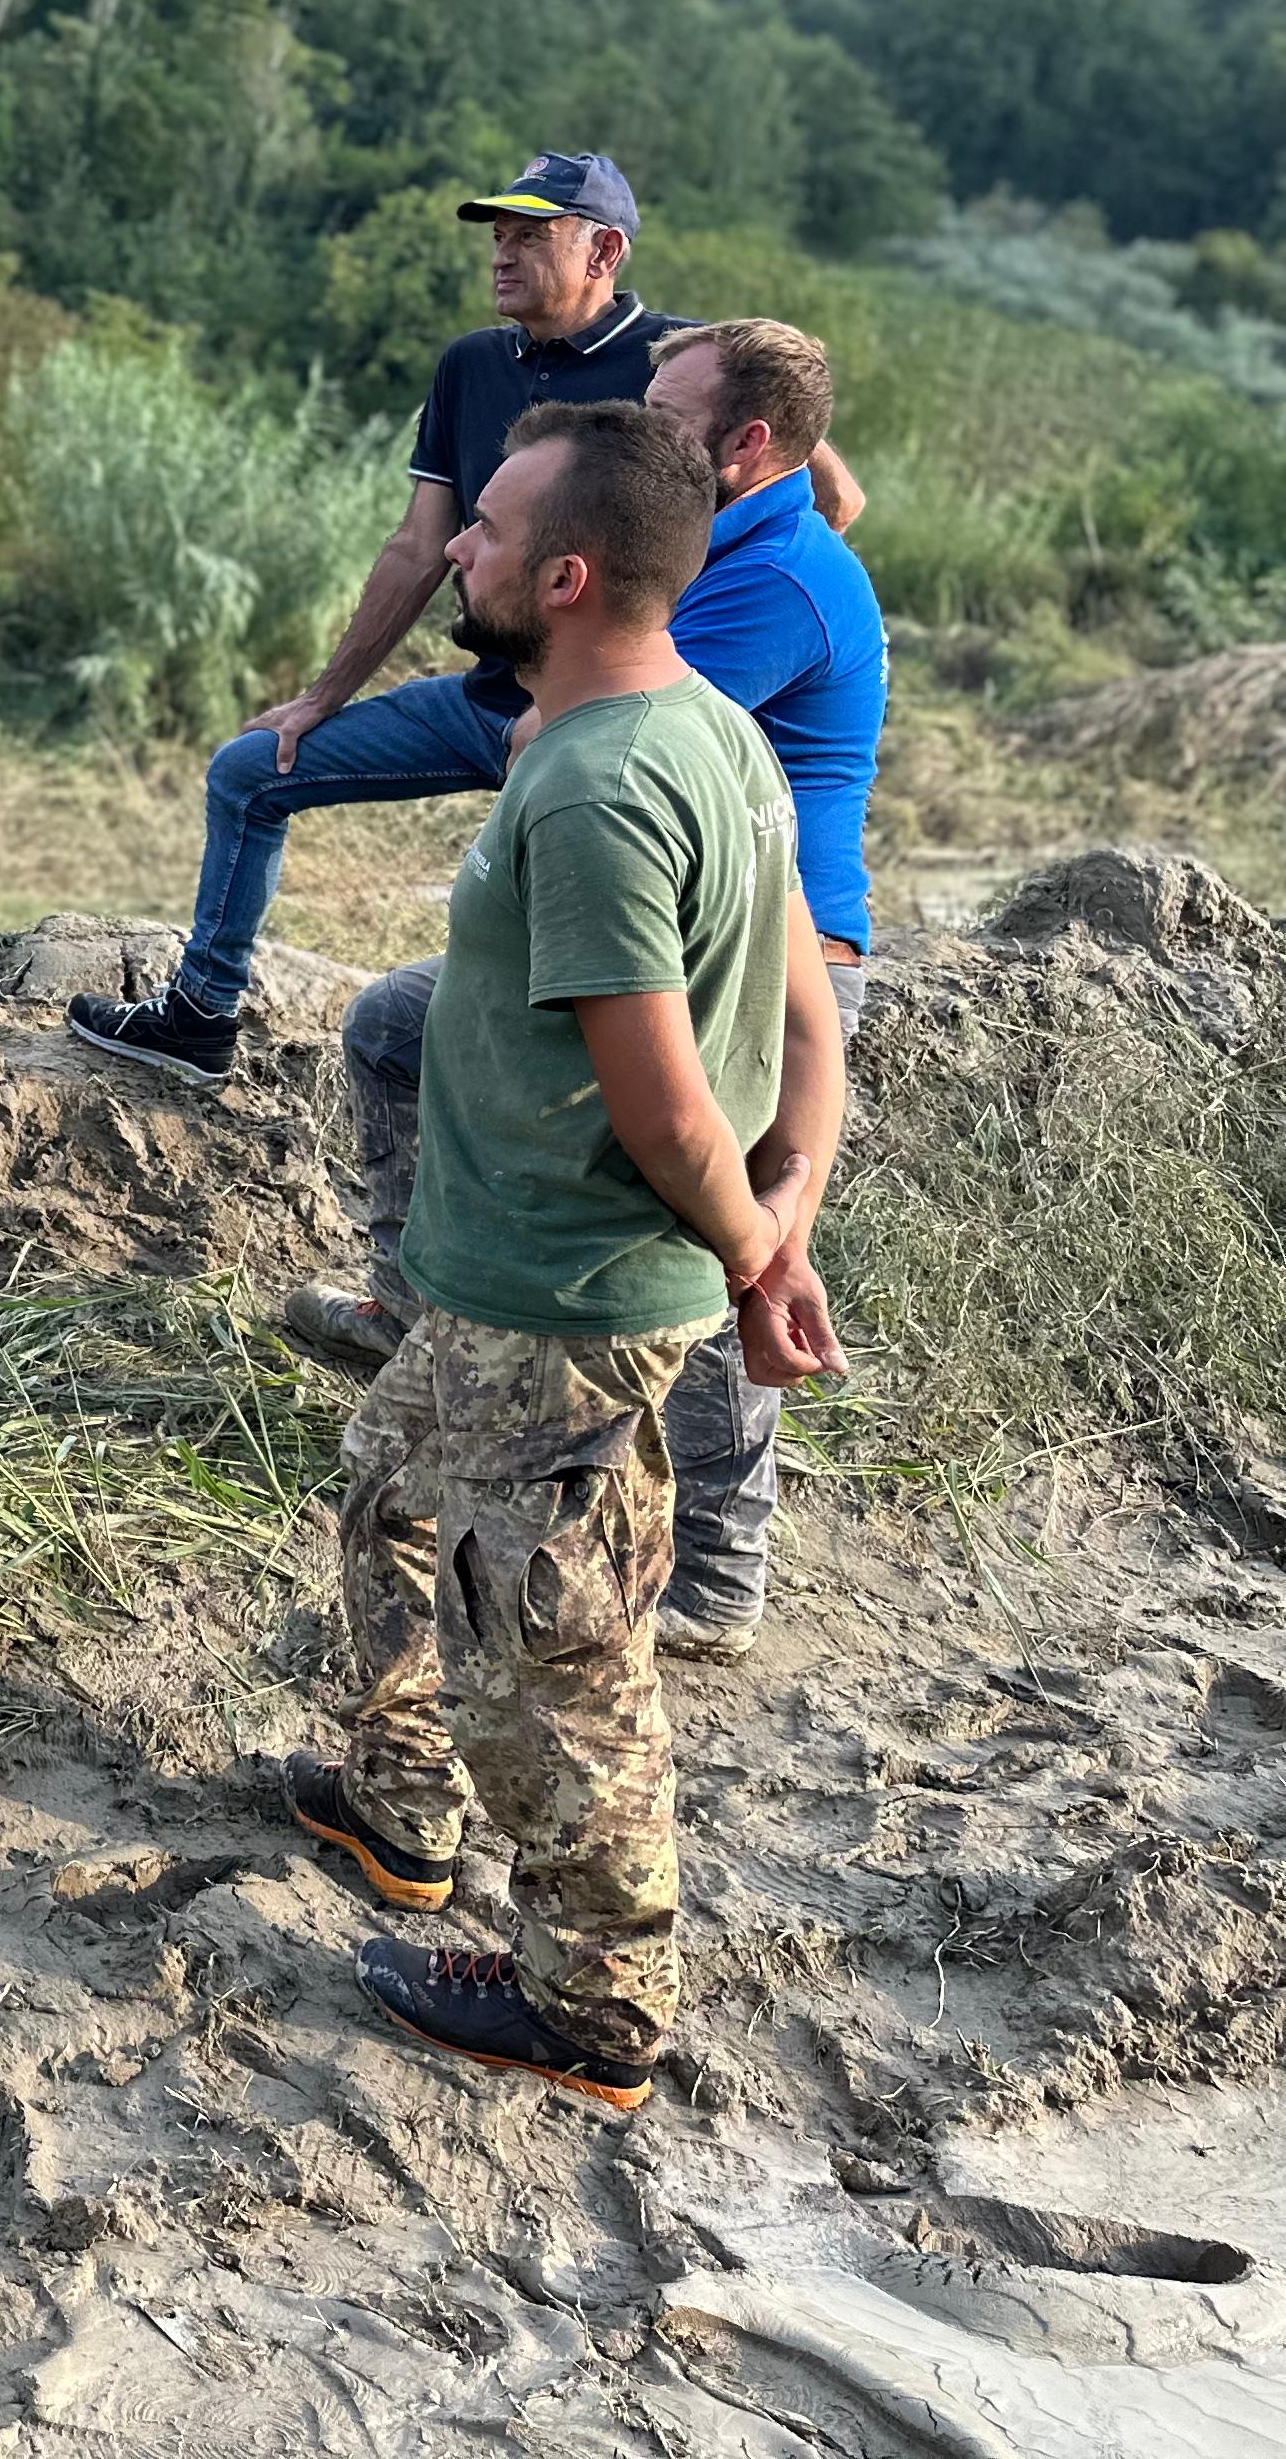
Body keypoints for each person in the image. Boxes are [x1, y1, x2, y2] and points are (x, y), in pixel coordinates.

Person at [280, 397, 848, 2112]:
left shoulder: (603, 782)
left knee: (564, 1661)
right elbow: (815, 1026)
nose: (459, 542)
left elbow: (670, 1100)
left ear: (569, 573)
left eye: (488, 527)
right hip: (506, 1281)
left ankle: (594, 2013)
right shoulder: (705, 730)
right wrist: (787, 1215)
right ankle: (402, 1808)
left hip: (571, 1297)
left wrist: (755, 1252)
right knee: (383, 1486)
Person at [288, 321, 883, 1666]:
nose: (645, 430)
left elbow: (594, 747)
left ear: (742, 446)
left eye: (668, 416)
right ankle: (420, 1304)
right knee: (402, 1023)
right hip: (709, 912)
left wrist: (762, 1244)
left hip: (738, 933)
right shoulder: (712, 558)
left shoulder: (753, 600)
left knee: (681, 1207)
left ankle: (716, 1569)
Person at [66, 152, 864, 1087]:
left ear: (604, 249)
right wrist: (321, 698)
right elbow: (420, 547)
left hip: (606, 700)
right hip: (497, 691)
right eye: (499, 235)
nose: (504, 253)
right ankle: (201, 1016)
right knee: (252, 770)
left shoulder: (684, 367)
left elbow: (824, 492)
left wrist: (688, 608)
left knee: (472, 973)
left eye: (532, 234)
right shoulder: (472, 365)